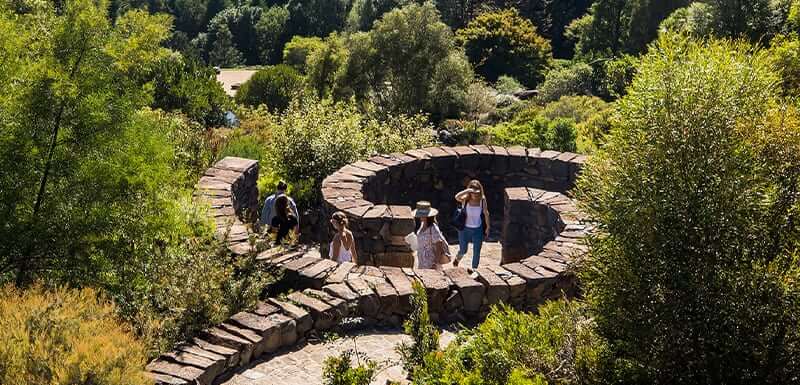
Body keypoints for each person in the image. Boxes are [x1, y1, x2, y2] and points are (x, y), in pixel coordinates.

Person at [453, 180, 490, 271]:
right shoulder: (465, 199)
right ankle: (457, 258)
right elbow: (456, 197)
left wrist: (488, 227)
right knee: (463, 250)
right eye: (473, 192)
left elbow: (486, 213)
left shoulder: (482, 200)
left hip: (478, 229)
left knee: (477, 251)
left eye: (477, 192)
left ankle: (474, 269)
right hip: (464, 229)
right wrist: (468, 190)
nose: (475, 194)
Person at [413, 201, 449, 270]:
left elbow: (439, 245)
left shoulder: (433, 228)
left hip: (431, 264)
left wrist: (436, 263)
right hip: (422, 262)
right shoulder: (422, 225)